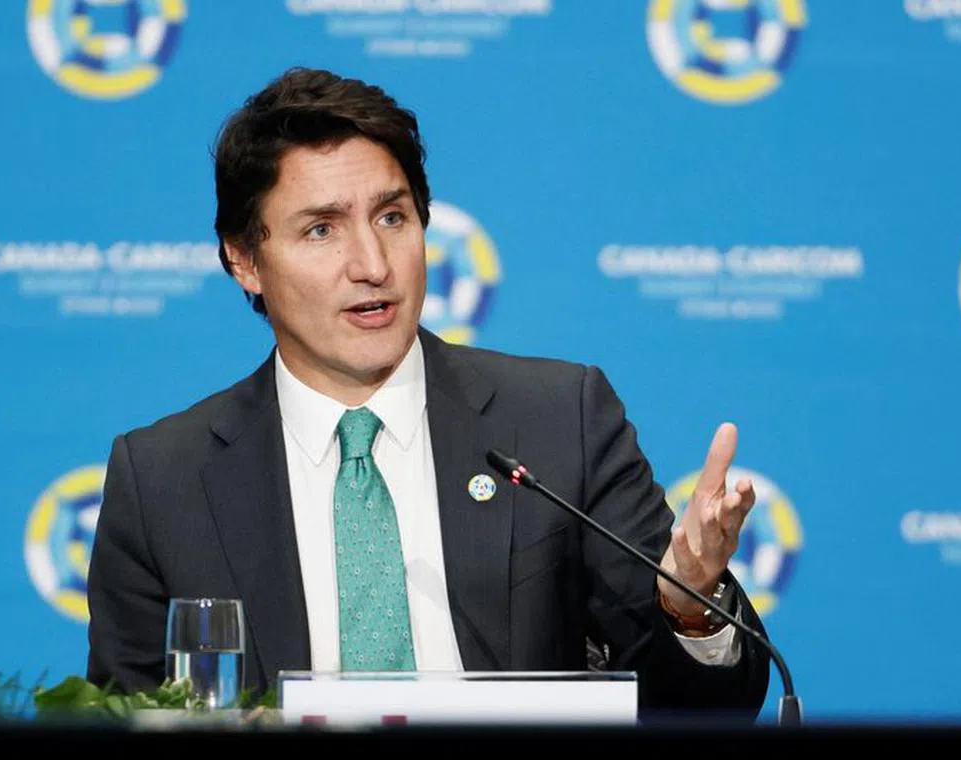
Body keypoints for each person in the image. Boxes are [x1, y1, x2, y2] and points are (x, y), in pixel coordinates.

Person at [85, 66, 771, 721]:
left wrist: (690, 601)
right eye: (321, 230)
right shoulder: (164, 483)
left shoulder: (560, 420)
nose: (373, 265)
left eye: (392, 218)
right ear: (244, 259)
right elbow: (125, 715)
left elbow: (710, 708)